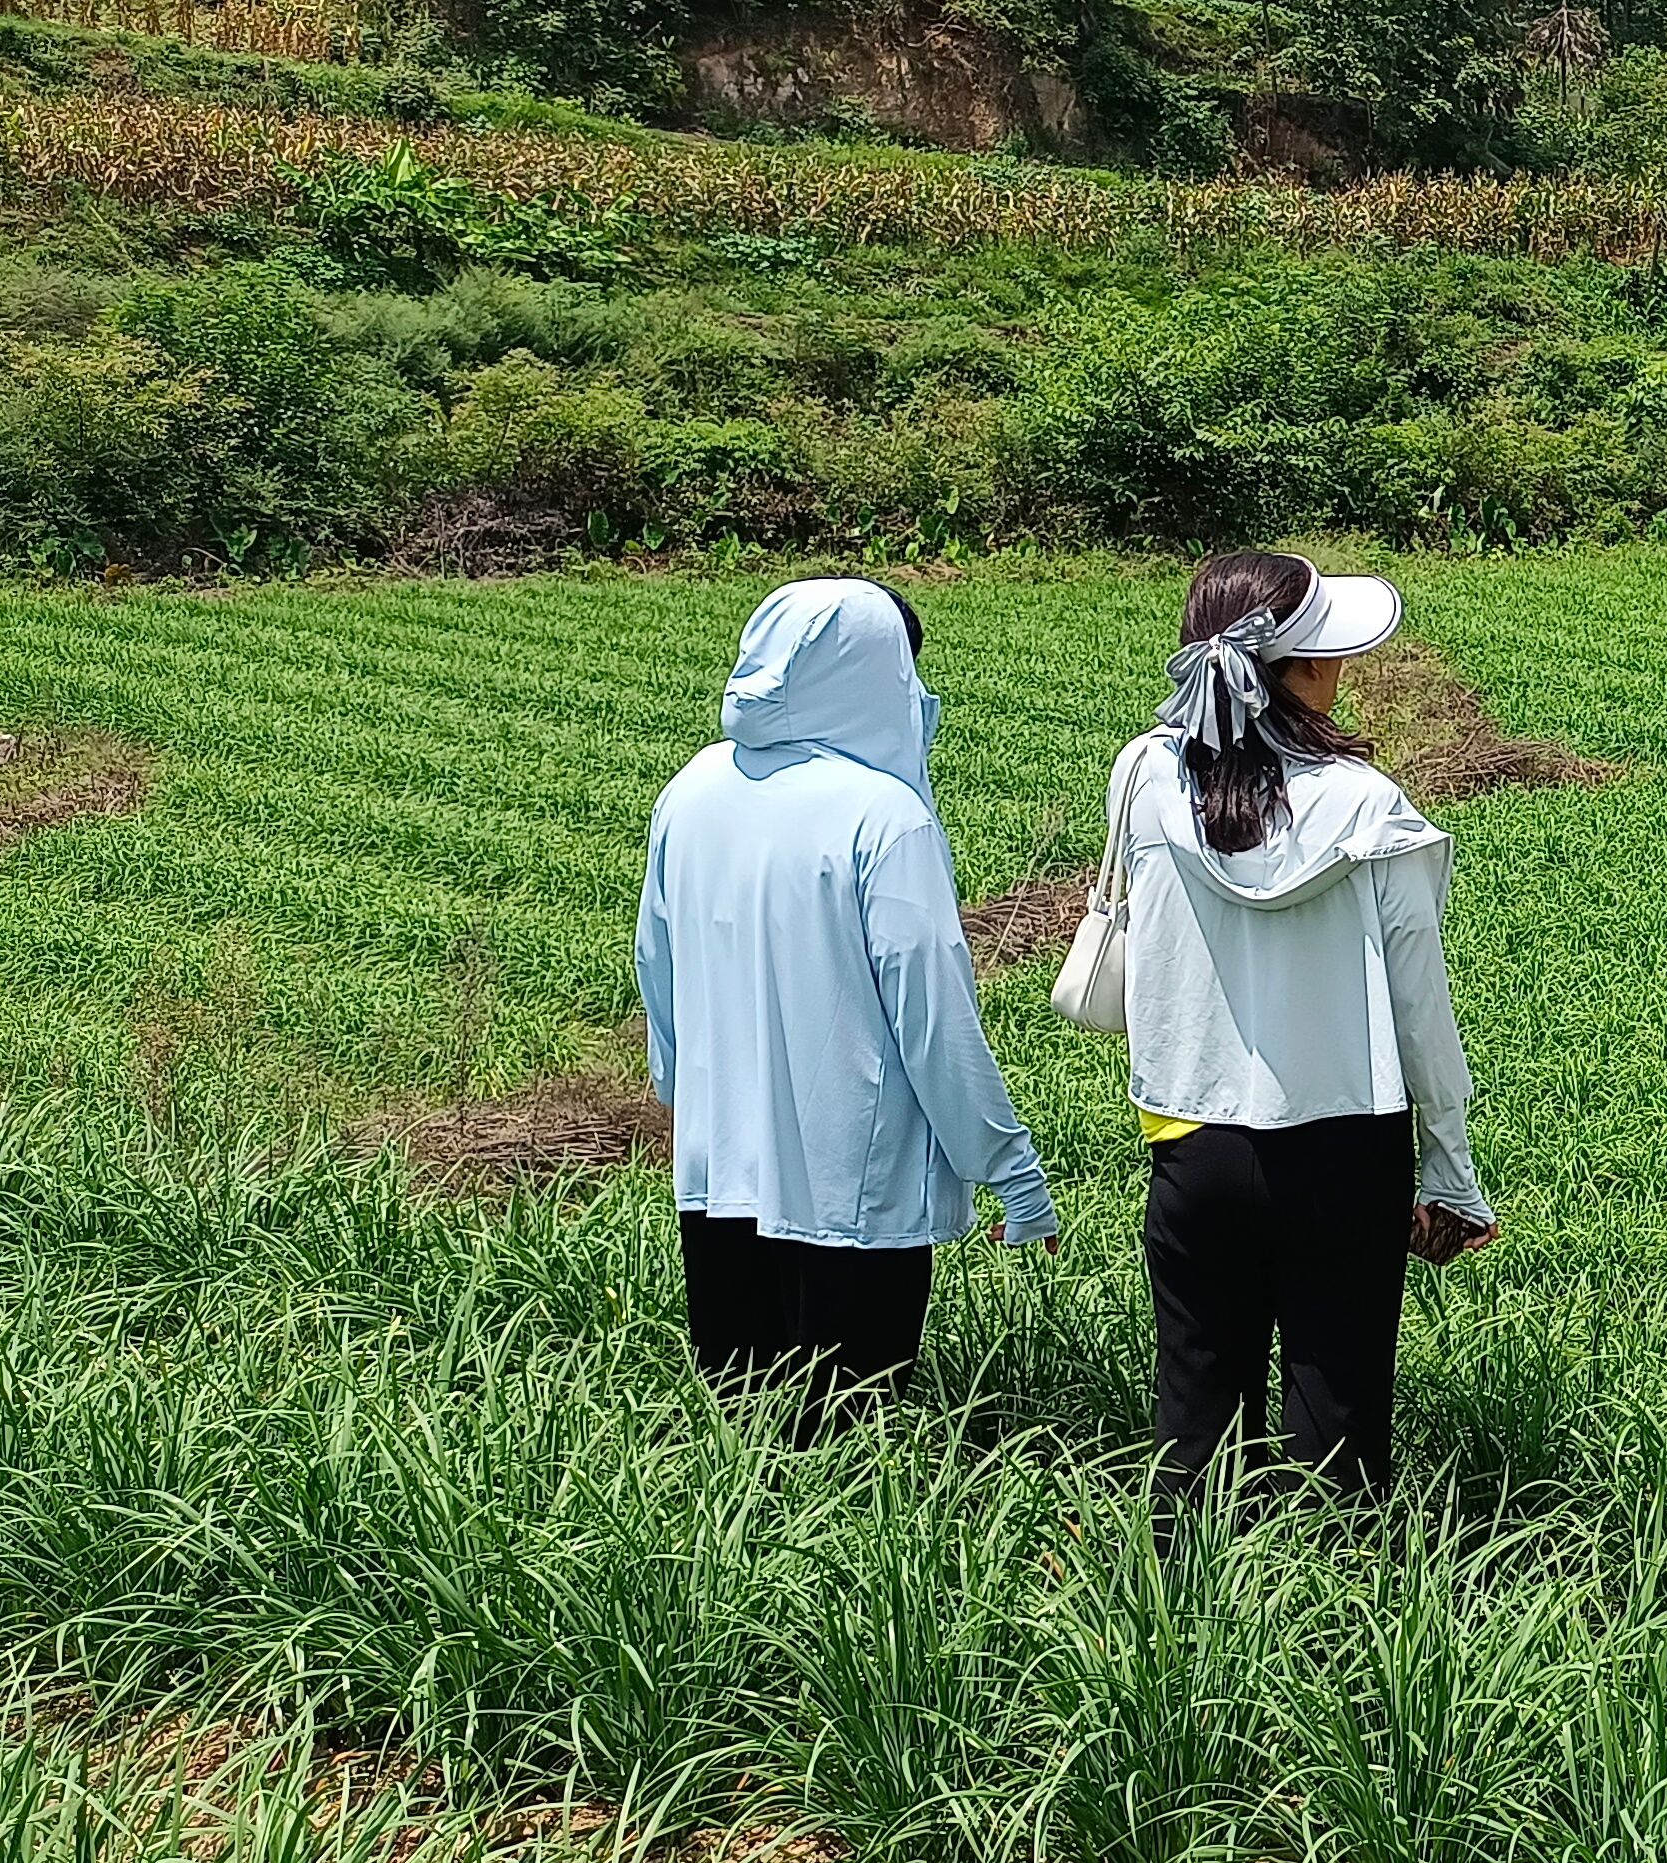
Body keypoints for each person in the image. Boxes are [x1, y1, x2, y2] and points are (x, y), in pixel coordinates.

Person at [1115, 550, 1493, 1502]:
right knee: (1339, 1423)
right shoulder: (1367, 805)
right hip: (1344, 1146)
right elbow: (1420, 1004)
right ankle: (1332, 1625)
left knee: (1195, 1416)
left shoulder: (1145, 775)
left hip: (1191, 1135)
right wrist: (1449, 1165)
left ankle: (1177, 1626)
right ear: (1303, 670)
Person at [638, 577, 1057, 1403]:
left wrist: (693, 1103)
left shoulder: (690, 791)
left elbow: (659, 971)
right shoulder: (882, 815)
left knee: (742, 1429)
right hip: (850, 1192)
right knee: (847, 1447)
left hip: (718, 1174)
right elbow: (933, 1018)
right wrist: (1008, 1168)